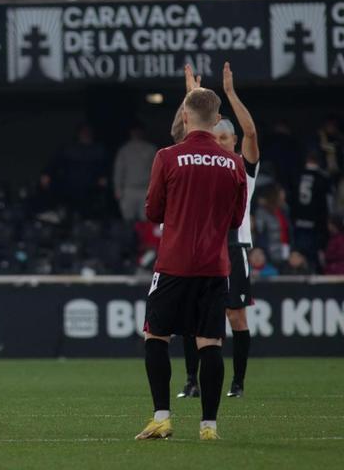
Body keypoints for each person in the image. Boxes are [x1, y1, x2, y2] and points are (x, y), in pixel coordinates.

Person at [137, 85, 247, 441]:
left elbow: (153, 211)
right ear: (216, 120)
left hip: (173, 264)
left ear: (185, 116)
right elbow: (235, 219)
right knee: (210, 343)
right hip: (214, 267)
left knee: (156, 335)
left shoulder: (167, 157)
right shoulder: (233, 163)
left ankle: (162, 418)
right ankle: (209, 427)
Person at [179, 62, 260, 401]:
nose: (221, 142)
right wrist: (193, 97)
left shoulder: (243, 166)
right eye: (217, 137)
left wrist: (228, 93)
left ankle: (238, 383)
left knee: (235, 316)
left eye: (226, 138)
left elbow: (252, 135)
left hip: (233, 244)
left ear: (234, 140)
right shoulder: (205, 161)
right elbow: (189, 135)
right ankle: (191, 380)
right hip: (202, 245)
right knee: (191, 315)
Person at [113, 122, 156, 222]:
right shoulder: (124, 150)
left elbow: (156, 171)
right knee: (128, 220)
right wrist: (118, 189)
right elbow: (119, 170)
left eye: (139, 131)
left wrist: (155, 190)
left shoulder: (150, 149)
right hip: (128, 190)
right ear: (131, 133)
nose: (136, 133)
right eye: (134, 131)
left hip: (145, 190)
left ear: (143, 132)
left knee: (145, 220)